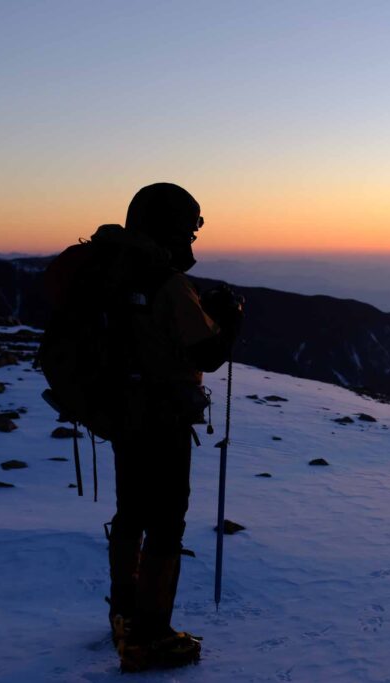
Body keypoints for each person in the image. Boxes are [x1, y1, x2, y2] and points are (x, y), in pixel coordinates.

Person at [104, 183, 243, 671]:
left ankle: (123, 613)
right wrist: (228, 319)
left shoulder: (115, 273)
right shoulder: (168, 283)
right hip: (162, 417)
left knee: (130, 512)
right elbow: (206, 352)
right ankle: (150, 635)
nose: (190, 242)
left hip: (122, 411)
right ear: (169, 228)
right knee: (165, 520)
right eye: (187, 230)